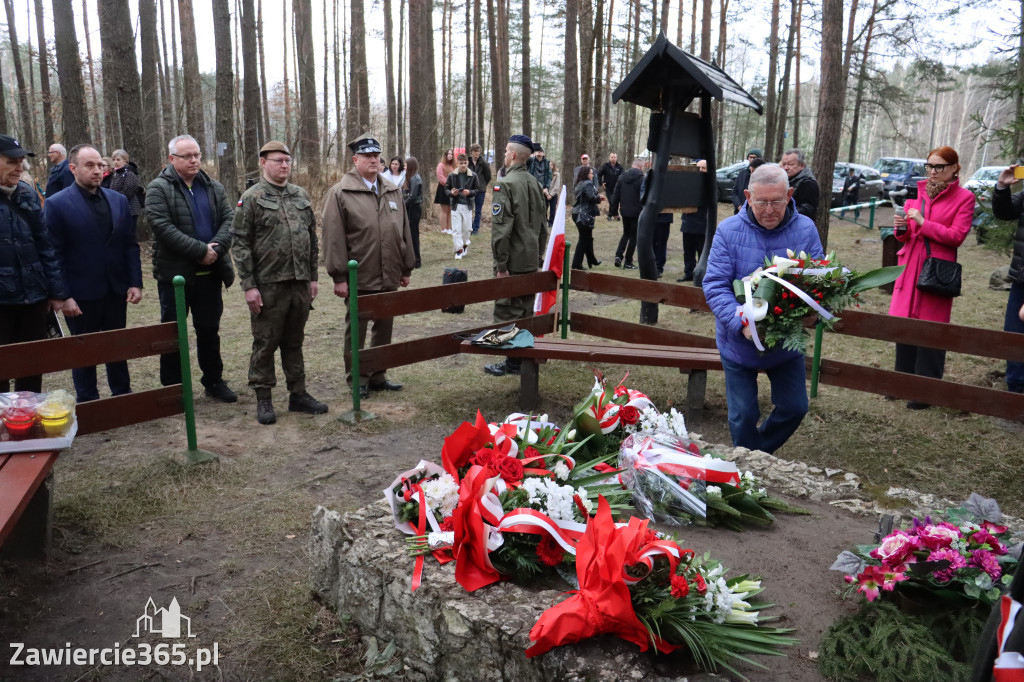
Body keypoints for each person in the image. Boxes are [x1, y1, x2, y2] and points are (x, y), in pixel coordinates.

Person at [702, 164, 824, 454]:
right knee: (743, 415)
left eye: (777, 201)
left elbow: (818, 278)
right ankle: (748, 470)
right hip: (738, 342)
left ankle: (754, 458)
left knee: (795, 407)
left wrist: (812, 308)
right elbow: (715, 285)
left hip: (785, 342)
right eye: (761, 202)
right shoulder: (728, 231)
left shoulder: (805, 229)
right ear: (747, 196)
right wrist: (741, 322)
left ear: (790, 194)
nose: (769, 210)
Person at [230, 141, 327, 425]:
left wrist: (313, 277)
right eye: (277, 161)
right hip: (268, 285)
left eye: (287, 160)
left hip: (299, 284)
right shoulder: (252, 197)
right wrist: (249, 285)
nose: (284, 165)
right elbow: (240, 244)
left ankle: (298, 394)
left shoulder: (300, 195)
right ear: (263, 163)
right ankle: (264, 398)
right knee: (266, 342)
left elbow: (311, 240)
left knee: (294, 341)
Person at [43, 144, 143, 402]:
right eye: (90, 165)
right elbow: (53, 254)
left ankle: (122, 394)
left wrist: (135, 282)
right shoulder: (56, 204)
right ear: (73, 168)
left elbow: (129, 245)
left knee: (116, 346)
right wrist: (63, 296)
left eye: (100, 165)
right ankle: (88, 401)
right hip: (80, 294)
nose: (97, 170)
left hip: (115, 289)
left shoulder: (118, 200)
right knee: (83, 352)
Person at [146, 134, 238, 402]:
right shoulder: (158, 188)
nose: (194, 160)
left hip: (210, 277)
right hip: (175, 277)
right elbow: (162, 227)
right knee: (172, 333)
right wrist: (200, 251)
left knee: (209, 331)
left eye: (197, 154)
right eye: (187, 156)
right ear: (172, 159)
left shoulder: (213, 187)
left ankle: (213, 380)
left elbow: (229, 221)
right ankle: (174, 388)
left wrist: (216, 249)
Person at [322, 133, 415, 398]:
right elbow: (333, 238)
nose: (373, 160)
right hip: (358, 275)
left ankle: (378, 374)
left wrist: (406, 268)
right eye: (367, 156)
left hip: (390, 272)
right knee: (357, 329)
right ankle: (358, 379)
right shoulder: (340, 193)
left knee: (385, 325)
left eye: (376, 156)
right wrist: (339, 276)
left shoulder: (392, 189)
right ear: (355, 160)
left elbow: (404, 230)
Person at [889, 146, 974, 409]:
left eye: (939, 166)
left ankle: (925, 392)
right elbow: (906, 236)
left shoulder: (965, 198)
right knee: (905, 325)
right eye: (930, 166)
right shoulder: (918, 195)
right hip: (909, 266)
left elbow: (956, 236)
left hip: (937, 270)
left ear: (953, 168)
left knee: (932, 328)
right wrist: (901, 229)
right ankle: (901, 384)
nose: (933, 171)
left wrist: (925, 223)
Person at [0, 134, 69, 393]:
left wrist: (56, 292)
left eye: (21, 162)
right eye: (11, 162)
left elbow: (46, 247)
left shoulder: (27, 195)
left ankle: (26, 426)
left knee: (31, 368)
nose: (19, 168)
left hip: (34, 299)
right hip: (2, 305)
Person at [484, 134, 549, 377]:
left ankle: (512, 362)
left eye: (505, 152)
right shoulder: (534, 183)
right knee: (525, 310)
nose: (503, 156)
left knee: (507, 311)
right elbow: (543, 227)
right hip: (531, 259)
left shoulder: (505, 184)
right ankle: (520, 359)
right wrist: (539, 256)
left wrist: (501, 265)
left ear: (512, 155)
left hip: (512, 261)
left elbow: (501, 231)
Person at [990, 167, 1024, 395]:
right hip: (1021, 276)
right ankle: (1015, 389)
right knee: (1013, 332)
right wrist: (1002, 187)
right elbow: (1006, 212)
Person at [445, 153, 483, 260]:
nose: (463, 165)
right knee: (456, 229)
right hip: (456, 205)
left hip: (467, 205)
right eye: (461, 163)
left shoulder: (473, 175)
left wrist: (469, 192)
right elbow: (446, 189)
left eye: (465, 163)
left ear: (468, 163)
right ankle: (459, 250)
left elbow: (478, 189)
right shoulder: (452, 175)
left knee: (467, 229)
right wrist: (452, 192)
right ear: (457, 163)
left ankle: (465, 245)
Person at [678, 159, 708, 283]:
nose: (700, 170)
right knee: (688, 251)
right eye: (698, 167)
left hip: (702, 223)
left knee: (701, 251)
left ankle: (701, 274)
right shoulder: (689, 182)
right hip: (688, 222)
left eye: (703, 168)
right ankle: (688, 273)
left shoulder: (710, 184)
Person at [612, 157, 644, 269]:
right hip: (637, 212)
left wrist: (614, 211)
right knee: (633, 237)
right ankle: (628, 261)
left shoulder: (622, 177)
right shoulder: (642, 179)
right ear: (641, 167)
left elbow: (616, 194)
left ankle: (618, 256)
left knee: (626, 234)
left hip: (624, 211)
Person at [571, 166, 603, 270]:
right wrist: (599, 198)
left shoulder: (579, 184)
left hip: (578, 213)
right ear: (586, 174)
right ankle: (576, 263)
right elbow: (591, 198)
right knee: (584, 239)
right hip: (584, 214)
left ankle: (591, 259)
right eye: (591, 173)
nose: (592, 175)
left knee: (588, 237)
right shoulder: (588, 184)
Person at [108, 149, 146, 229]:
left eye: (118, 160)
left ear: (125, 161)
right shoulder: (116, 175)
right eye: (114, 160)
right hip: (119, 208)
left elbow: (129, 191)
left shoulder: (129, 174)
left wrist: (115, 199)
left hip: (130, 209)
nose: (115, 162)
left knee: (130, 234)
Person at [780, 148, 819, 222]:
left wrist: (781, 211)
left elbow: (807, 210)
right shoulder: (787, 180)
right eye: (784, 164)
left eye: (791, 164)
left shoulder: (808, 184)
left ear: (802, 165)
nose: (786, 168)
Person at [403, 156, 424, 268]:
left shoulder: (415, 179)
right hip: (410, 208)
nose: (404, 167)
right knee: (410, 234)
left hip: (414, 209)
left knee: (413, 235)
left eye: (406, 165)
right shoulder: (409, 178)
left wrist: (402, 204)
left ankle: (417, 260)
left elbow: (413, 196)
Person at [467, 144, 492, 235]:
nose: (476, 153)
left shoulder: (484, 163)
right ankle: (468, 228)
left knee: (478, 210)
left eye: (478, 151)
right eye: (475, 151)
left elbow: (488, 176)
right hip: (469, 190)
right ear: (471, 152)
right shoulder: (467, 162)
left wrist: (482, 184)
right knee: (468, 209)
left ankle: (475, 229)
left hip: (480, 190)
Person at [730, 148, 762, 214]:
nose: (752, 159)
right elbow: (734, 193)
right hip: (740, 212)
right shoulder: (742, 173)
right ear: (748, 158)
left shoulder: (763, 175)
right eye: (750, 157)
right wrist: (739, 206)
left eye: (754, 157)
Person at [434, 149, 456, 234]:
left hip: (452, 189)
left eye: (451, 154)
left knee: (450, 209)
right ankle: (443, 229)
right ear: (445, 155)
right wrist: (449, 184)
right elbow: (441, 178)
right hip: (443, 189)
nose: (450, 155)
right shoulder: (441, 165)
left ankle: (449, 228)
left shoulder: (454, 165)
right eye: (448, 154)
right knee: (444, 209)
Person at [598, 152, 624, 221]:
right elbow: (599, 174)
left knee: (615, 201)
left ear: (616, 158)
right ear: (610, 158)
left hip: (617, 188)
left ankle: (613, 214)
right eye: (612, 157)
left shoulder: (620, 167)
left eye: (614, 157)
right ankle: (612, 215)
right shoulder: (605, 166)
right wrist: (601, 183)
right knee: (611, 201)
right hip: (608, 187)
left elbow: (623, 176)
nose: (613, 158)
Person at [529, 145, 553, 215]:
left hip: (543, 188)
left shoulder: (547, 163)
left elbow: (549, 176)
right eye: (538, 150)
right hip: (533, 187)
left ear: (543, 154)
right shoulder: (531, 161)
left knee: (543, 206)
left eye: (541, 151)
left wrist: (547, 187)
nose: (539, 152)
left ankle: (543, 222)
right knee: (532, 205)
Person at [547, 161, 562, 226]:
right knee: (544, 209)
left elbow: (557, 186)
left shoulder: (557, 174)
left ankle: (551, 222)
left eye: (551, 165)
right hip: (546, 194)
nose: (550, 166)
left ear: (553, 166)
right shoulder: (546, 173)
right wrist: (547, 194)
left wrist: (551, 194)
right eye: (549, 165)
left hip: (554, 194)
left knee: (552, 209)